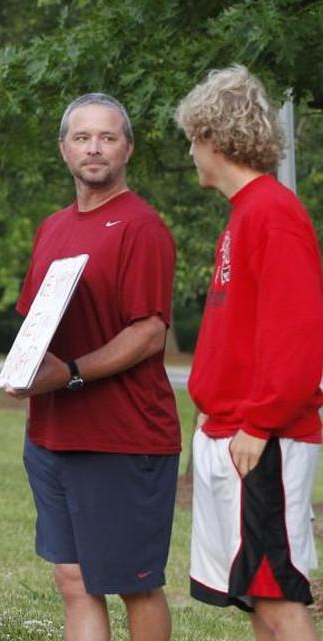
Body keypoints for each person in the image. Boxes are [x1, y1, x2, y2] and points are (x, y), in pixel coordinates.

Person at [5, 94, 180, 641]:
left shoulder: (141, 227)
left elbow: (150, 332)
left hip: (123, 436)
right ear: (63, 150)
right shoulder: (52, 227)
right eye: (82, 138)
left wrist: (73, 371)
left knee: (136, 584)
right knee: (73, 579)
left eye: (107, 137)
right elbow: (35, 320)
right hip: (52, 433)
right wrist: (23, 366)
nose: (94, 148)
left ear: (128, 147)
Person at [175, 65, 323, 641]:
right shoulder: (244, 215)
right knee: (258, 596)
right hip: (235, 431)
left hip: (265, 438)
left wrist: (259, 424)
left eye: (192, 138)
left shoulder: (273, 214)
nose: (191, 153)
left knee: (280, 594)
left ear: (213, 138)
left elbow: (296, 335)